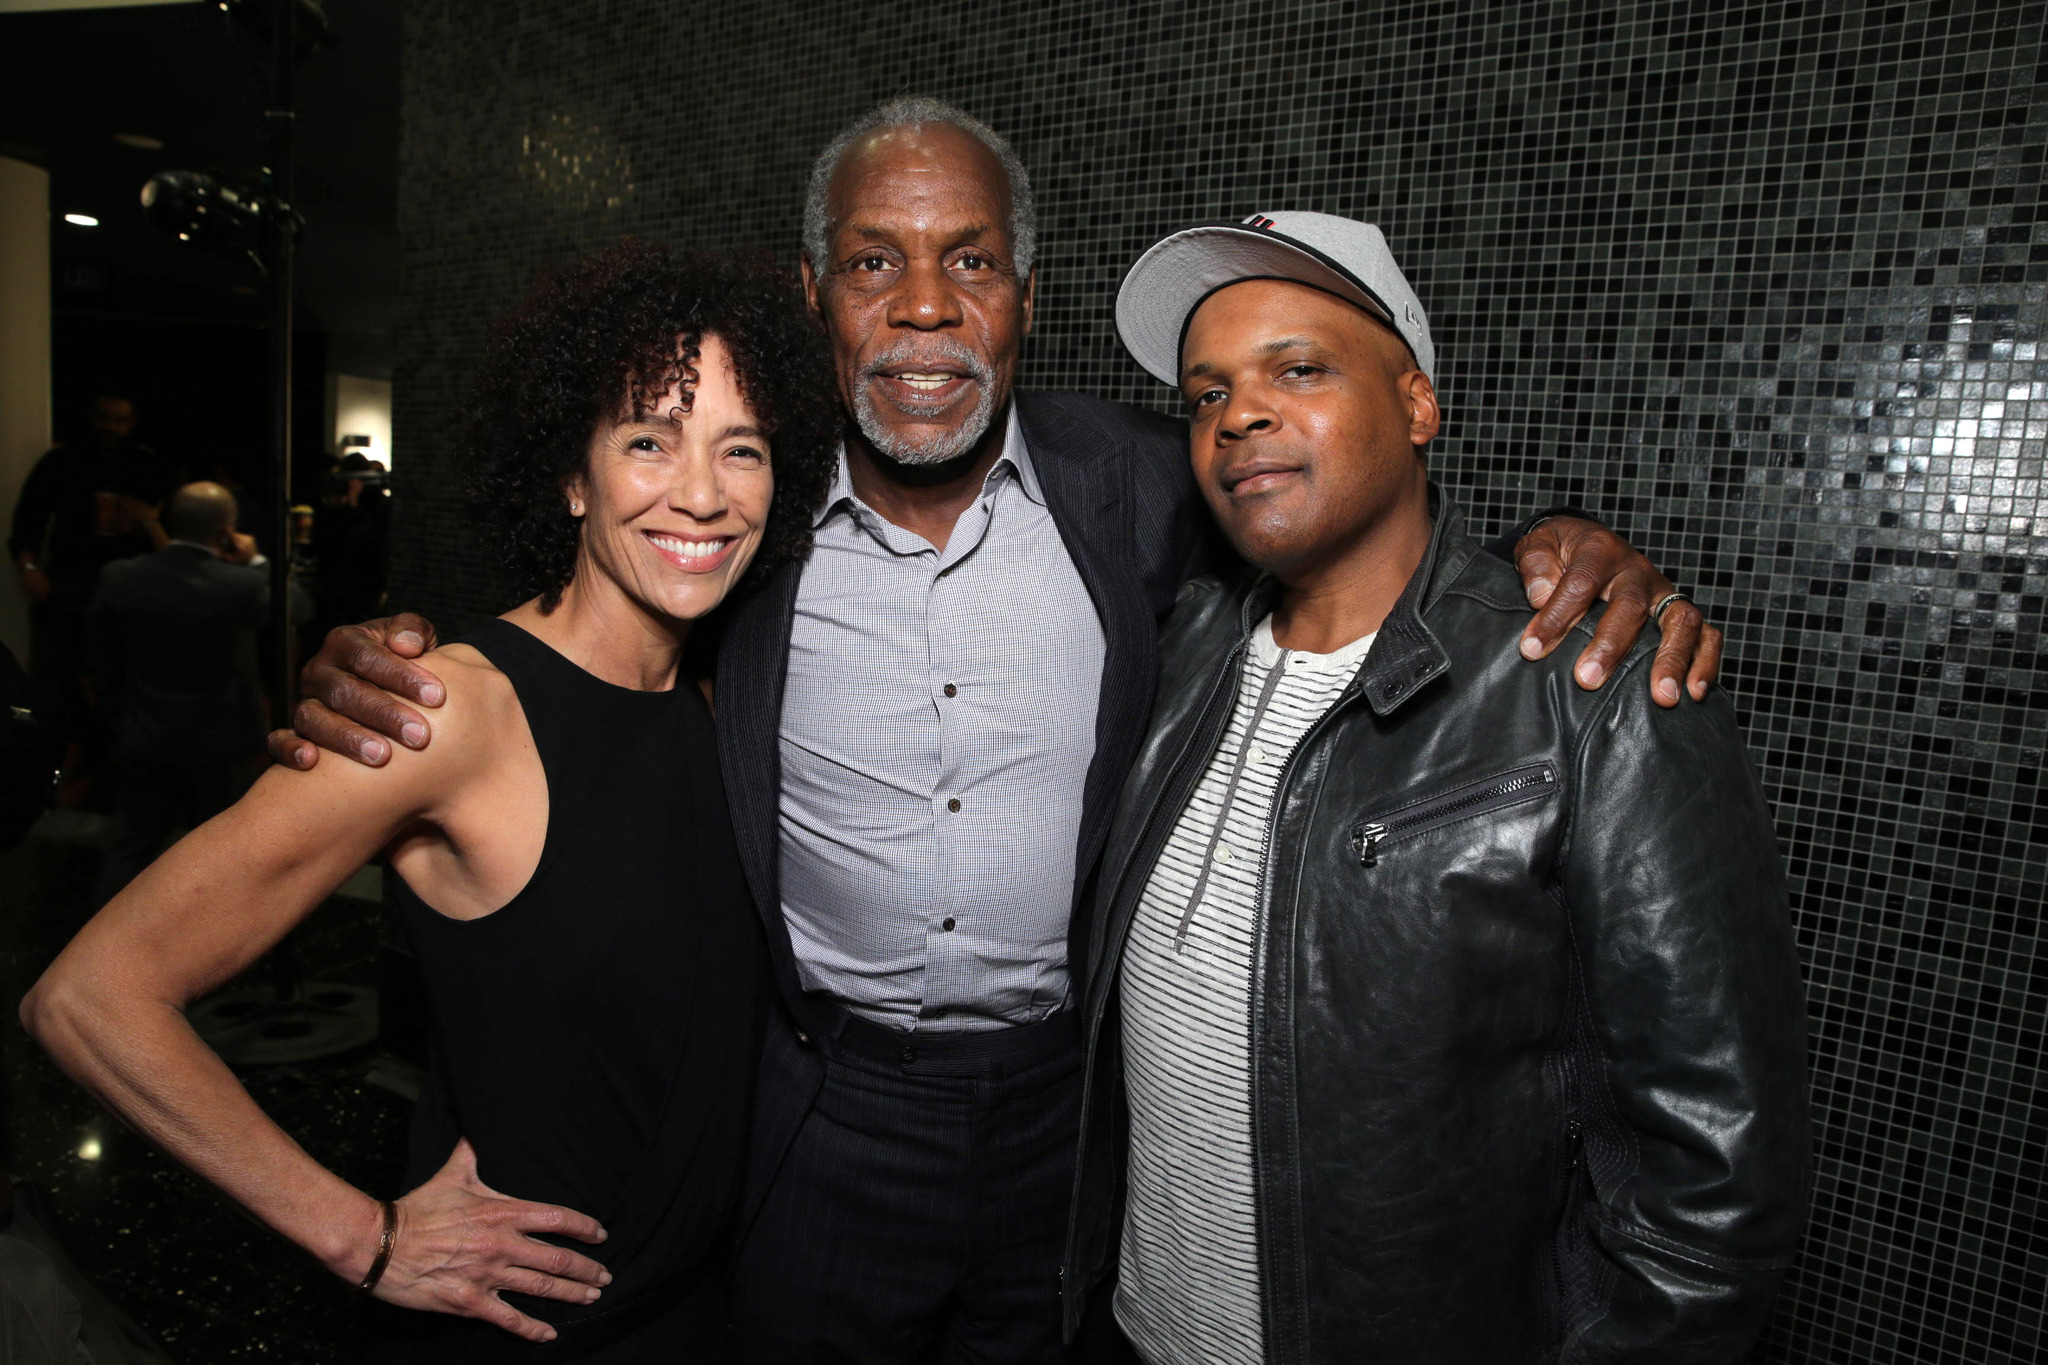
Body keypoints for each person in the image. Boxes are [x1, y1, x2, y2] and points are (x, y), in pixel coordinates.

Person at [274, 99, 1723, 1361]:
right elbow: (578, 632)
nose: (921, 305)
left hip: (1075, 1120)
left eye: (968, 260)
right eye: (872, 262)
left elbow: (1342, 516)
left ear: (1023, 292)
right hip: (817, 1113)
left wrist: (1559, 551)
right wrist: (383, 664)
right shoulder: (739, 528)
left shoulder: (1152, 489)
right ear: (813, 294)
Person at [20, 241, 840, 1361]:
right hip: (510, 1328)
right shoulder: (447, 710)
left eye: (739, 449)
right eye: (648, 439)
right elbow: (89, 997)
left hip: (693, 1313)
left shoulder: (719, 699)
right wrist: (362, 1237)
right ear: (571, 474)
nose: (700, 491)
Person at [1062, 212, 1811, 1363]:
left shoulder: (1590, 687)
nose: (1238, 416)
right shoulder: (1175, 648)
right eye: (1206, 394)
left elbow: (1712, 1183)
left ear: (1416, 404)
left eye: (1297, 370)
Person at [85, 481, 303, 906]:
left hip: (143, 733)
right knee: (222, 851)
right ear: (228, 529)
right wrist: (258, 560)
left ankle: (101, 945)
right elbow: (298, 606)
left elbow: (99, 659)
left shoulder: (122, 577)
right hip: (220, 742)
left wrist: (114, 715)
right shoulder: (238, 584)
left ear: (169, 518)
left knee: (131, 847)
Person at [10, 394, 181, 774]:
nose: (110, 428)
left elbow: (172, 526)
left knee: (124, 680)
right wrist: (28, 567)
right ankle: (60, 766)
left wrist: (145, 523)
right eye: (104, 419)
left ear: (132, 423)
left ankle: (116, 771)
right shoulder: (63, 460)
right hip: (72, 581)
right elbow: (29, 518)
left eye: (120, 420)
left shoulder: (146, 463)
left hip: (134, 588)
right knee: (59, 678)